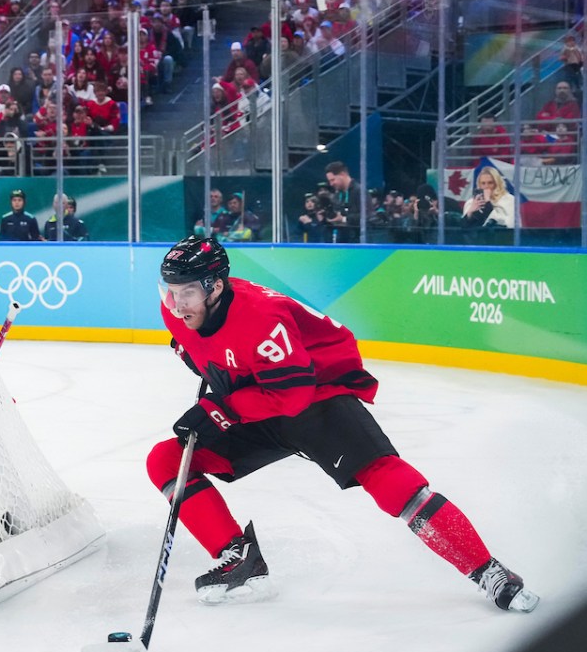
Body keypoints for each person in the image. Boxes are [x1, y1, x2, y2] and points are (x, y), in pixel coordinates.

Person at [149, 235, 539, 612]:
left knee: (389, 480)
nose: (177, 302)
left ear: (215, 286)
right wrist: (215, 386)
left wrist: (220, 409)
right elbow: (203, 351)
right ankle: (241, 559)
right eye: (171, 290)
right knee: (165, 461)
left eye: (187, 292)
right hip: (256, 406)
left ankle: (489, 571)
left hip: (316, 398)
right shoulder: (175, 310)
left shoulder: (260, 318)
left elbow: (292, 395)